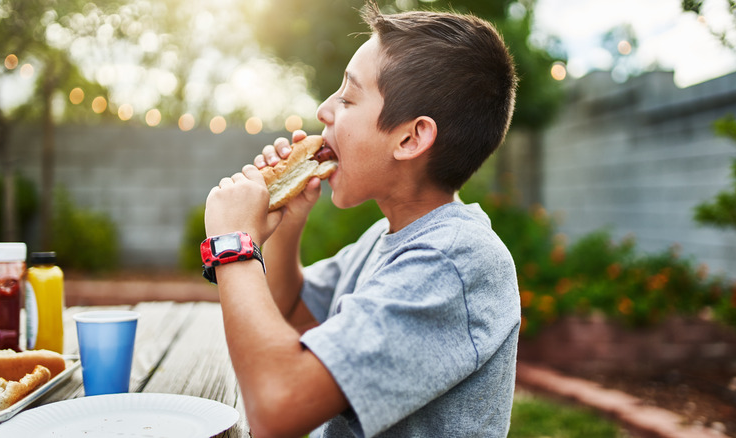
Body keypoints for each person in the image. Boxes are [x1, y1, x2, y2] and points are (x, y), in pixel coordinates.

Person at [203, 2, 520, 437]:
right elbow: (294, 314)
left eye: (348, 97)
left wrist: (232, 246)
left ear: (410, 138)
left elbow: (276, 406)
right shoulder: (386, 239)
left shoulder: (454, 260)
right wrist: (288, 220)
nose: (324, 110)